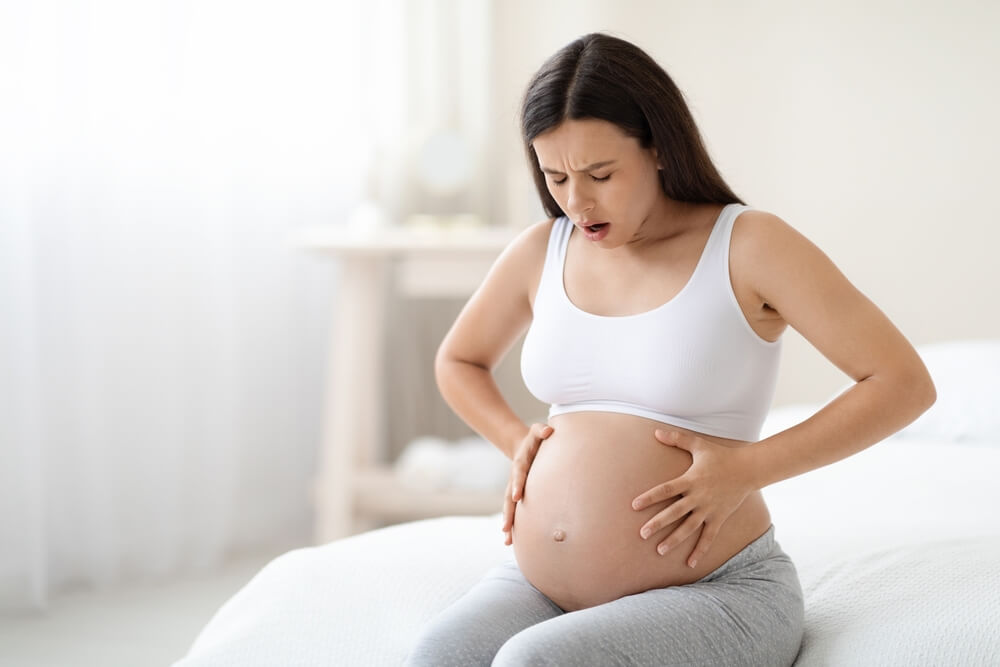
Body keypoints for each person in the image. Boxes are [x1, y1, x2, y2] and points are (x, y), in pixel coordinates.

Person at [403, 32, 935, 667]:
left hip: (717, 592)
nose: (577, 201)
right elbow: (458, 361)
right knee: (438, 654)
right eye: (556, 177)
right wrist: (515, 440)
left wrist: (748, 467)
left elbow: (901, 382)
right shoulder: (541, 250)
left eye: (601, 174)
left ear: (657, 148)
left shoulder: (749, 244)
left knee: (533, 663)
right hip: (545, 590)